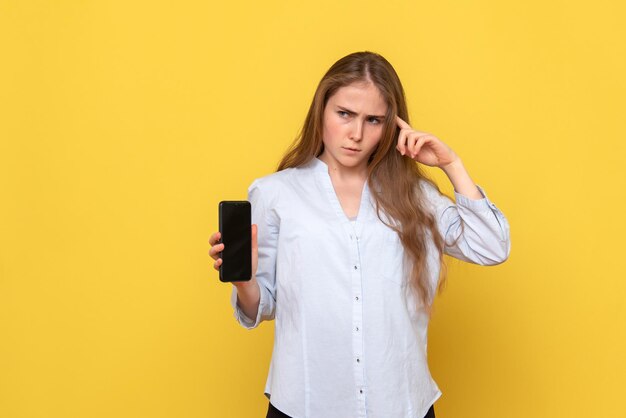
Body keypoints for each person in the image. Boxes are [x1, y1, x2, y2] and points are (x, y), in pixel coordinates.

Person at [208, 51, 511, 418]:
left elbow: (492, 246)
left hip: (400, 405)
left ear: (392, 126)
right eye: (345, 114)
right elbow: (261, 306)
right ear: (321, 109)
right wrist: (244, 281)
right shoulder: (275, 194)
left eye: (374, 120)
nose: (356, 134)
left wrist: (451, 164)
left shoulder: (416, 196)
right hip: (305, 404)